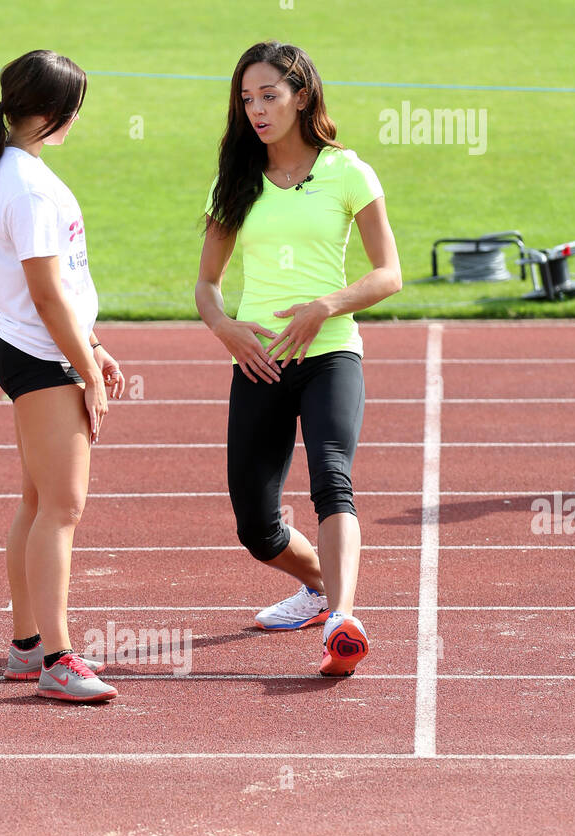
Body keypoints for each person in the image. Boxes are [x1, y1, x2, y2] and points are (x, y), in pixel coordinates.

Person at [195, 41, 401, 676]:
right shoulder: (233, 179)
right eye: (247, 99)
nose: (256, 110)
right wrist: (227, 329)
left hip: (330, 353)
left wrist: (324, 307)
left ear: (302, 94)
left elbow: (388, 274)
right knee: (256, 526)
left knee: (331, 477)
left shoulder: (347, 172)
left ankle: (342, 618)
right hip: (258, 363)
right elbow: (207, 286)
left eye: (269, 96)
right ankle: (318, 590)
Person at [0, 50, 125, 702]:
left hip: (31, 347)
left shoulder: (15, 168)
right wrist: (85, 367)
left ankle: (27, 646)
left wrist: (89, 345)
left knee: (38, 505)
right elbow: (46, 291)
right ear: (56, 112)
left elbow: (57, 288)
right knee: (61, 508)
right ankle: (58, 660)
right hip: (40, 357)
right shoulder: (28, 187)